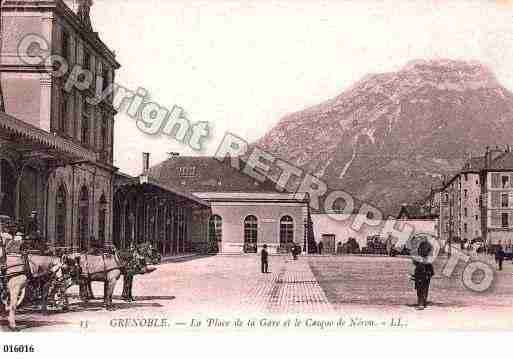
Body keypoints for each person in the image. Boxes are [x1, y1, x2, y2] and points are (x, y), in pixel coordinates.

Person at [411, 241, 435, 310]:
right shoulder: (428, 259)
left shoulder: (419, 258)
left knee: (420, 289)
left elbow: (414, 263)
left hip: (420, 273)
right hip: (425, 274)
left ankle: (421, 303)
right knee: (425, 288)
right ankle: (423, 302)